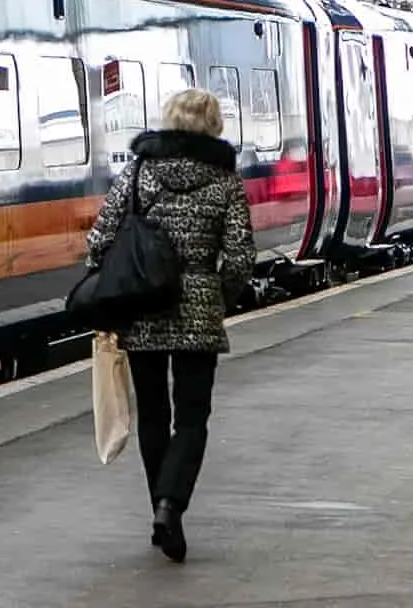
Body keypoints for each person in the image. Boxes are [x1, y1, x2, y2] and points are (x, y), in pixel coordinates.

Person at [84, 88, 252, 564]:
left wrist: (121, 282)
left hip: (143, 307)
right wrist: (219, 295)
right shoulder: (224, 179)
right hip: (198, 307)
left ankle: (160, 504)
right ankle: (171, 504)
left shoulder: (137, 170)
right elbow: (240, 255)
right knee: (193, 415)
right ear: (214, 124)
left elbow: (99, 240)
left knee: (154, 414)